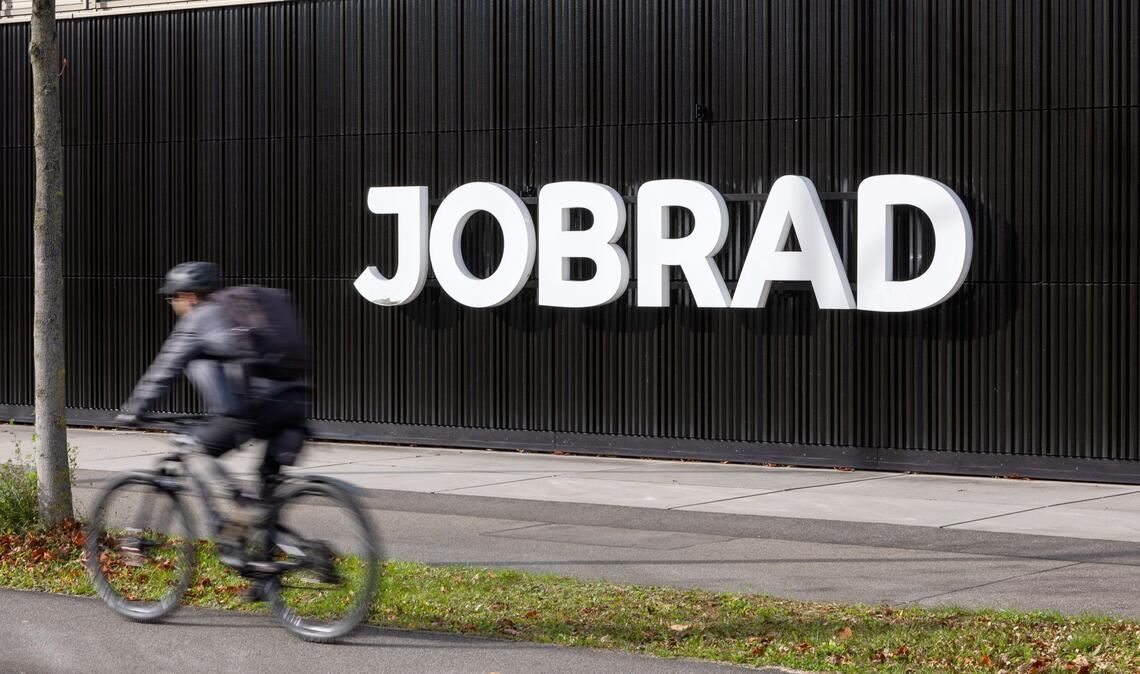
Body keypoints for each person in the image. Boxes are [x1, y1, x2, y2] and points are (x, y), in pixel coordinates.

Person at [115, 261, 312, 580]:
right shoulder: (242, 310)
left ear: (189, 296)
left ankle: (238, 510)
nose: (173, 305)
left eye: (173, 298)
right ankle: (269, 578)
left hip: (253, 409)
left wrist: (134, 410)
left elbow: (164, 370)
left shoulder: (199, 319)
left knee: (197, 452)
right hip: (293, 403)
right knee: (265, 499)